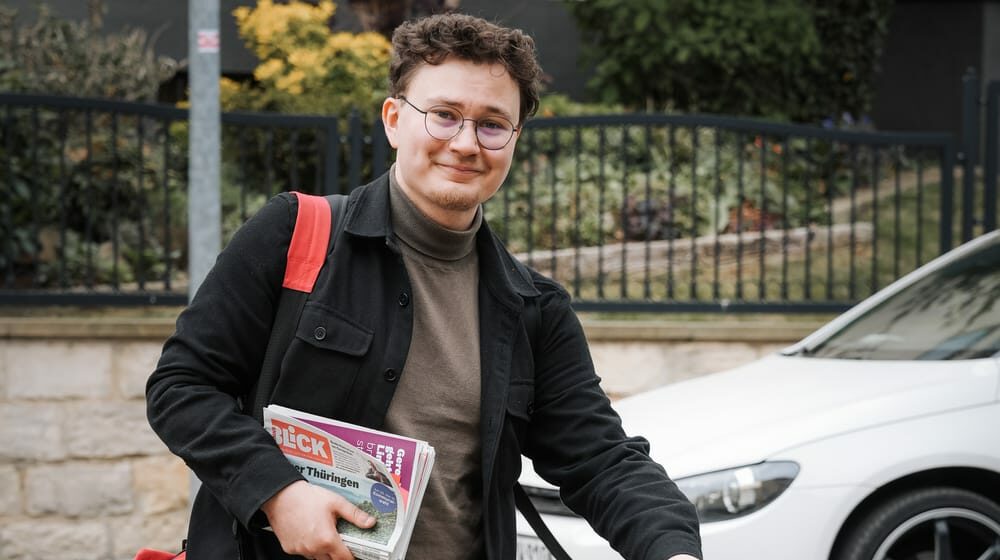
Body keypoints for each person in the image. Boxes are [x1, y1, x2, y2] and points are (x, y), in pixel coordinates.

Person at [147, 12, 702, 560]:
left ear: (514, 139)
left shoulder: (533, 308)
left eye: (491, 124)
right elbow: (183, 386)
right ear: (393, 119)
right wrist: (277, 492)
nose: (465, 144)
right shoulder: (297, 233)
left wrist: (671, 550)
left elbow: (601, 458)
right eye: (443, 115)